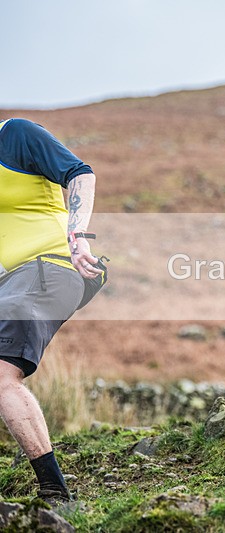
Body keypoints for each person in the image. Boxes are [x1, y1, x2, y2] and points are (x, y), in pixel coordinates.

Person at [0, 118, 102, 505]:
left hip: (53, 266)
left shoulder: (14, 135)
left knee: (1, 373)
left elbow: (81, 174)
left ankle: (55, 492)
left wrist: (77, 237)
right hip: (8, 282)